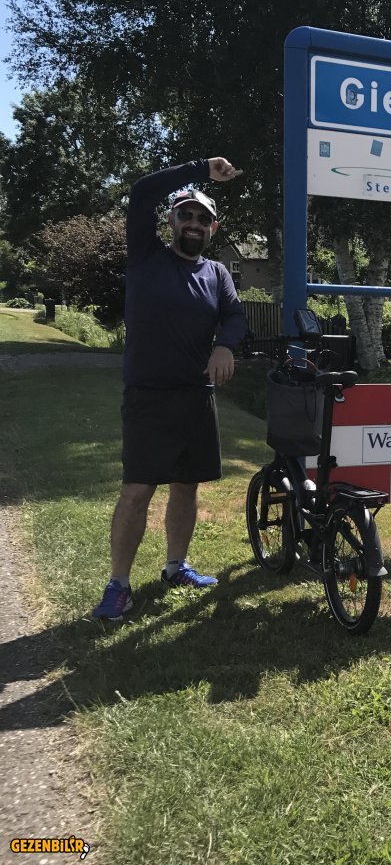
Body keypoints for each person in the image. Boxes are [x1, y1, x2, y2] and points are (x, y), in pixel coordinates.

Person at [91, 158, 248, 620]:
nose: (193, 223)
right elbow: (142, 191)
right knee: (137, 490)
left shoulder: (216, 273)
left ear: (213, 228)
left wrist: (225, 346)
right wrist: (200, 170)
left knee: (186, 485)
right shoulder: (146, 255)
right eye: (186, 214)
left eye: (202, 218)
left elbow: (235, 316)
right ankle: (118, 585)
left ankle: (176, 566)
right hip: (149, 395)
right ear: (172, 221)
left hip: (197, 396)